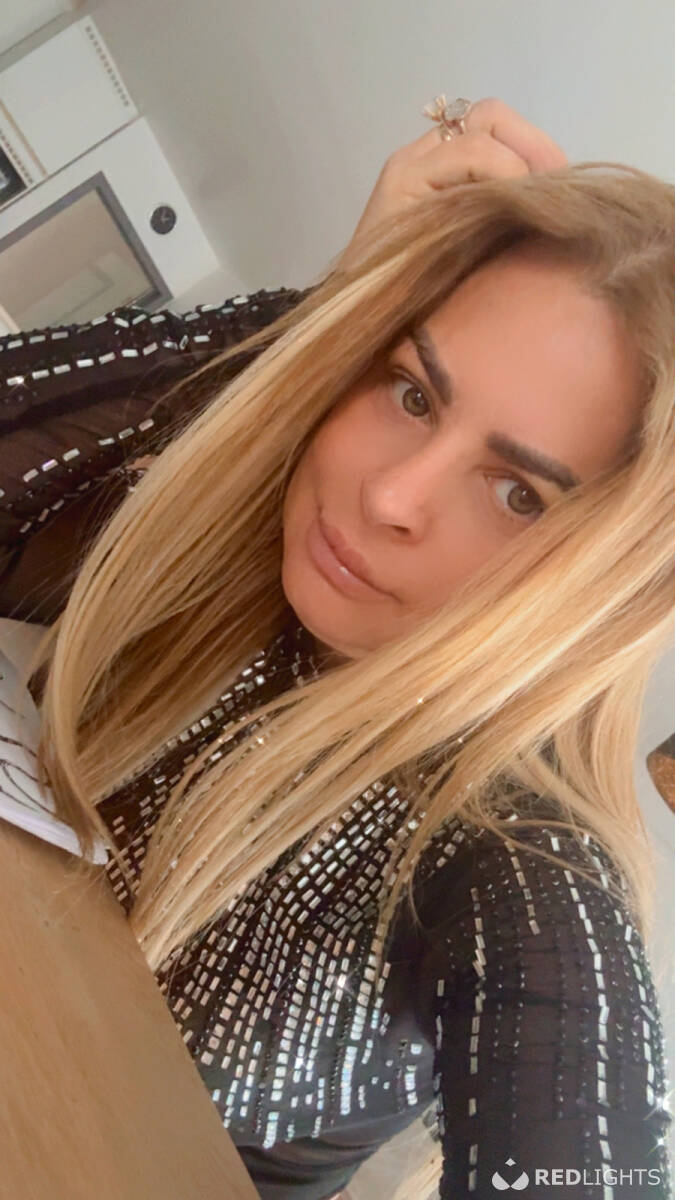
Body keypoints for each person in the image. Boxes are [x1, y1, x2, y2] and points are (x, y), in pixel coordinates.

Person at [0, 96, 673, 1199]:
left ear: (596, 586)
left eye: (518, 493)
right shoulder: (232, 553)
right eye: (410, 392)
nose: (392, 496)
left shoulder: (512, 858)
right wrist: (322, 319)